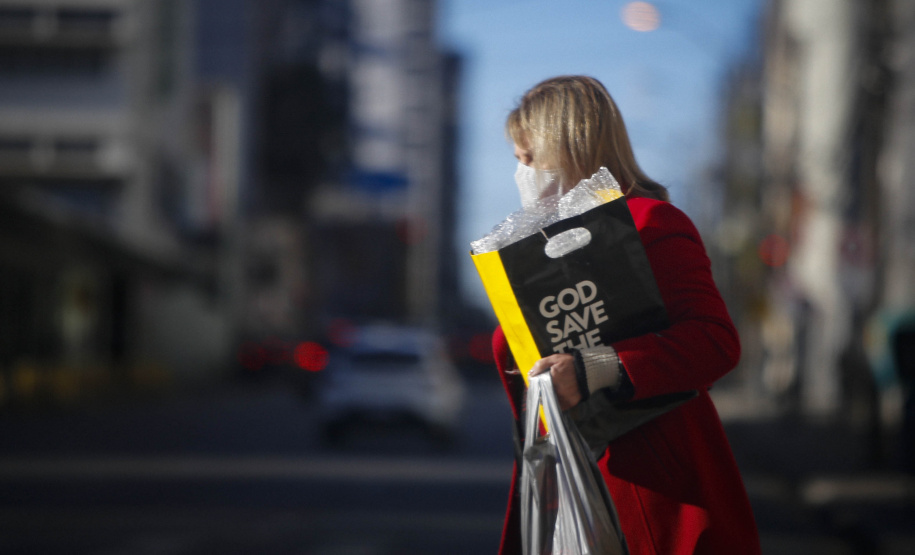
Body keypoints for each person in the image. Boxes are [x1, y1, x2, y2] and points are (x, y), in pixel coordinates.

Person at [492, 75, 761, 555]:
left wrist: (595, 368)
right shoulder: (530, 253)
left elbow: (714, 342)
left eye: (529, 158)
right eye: (517, 161)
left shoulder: (650, 223)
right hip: (564, 492)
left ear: (568, 146)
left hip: (653, 498)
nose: (521, 174)